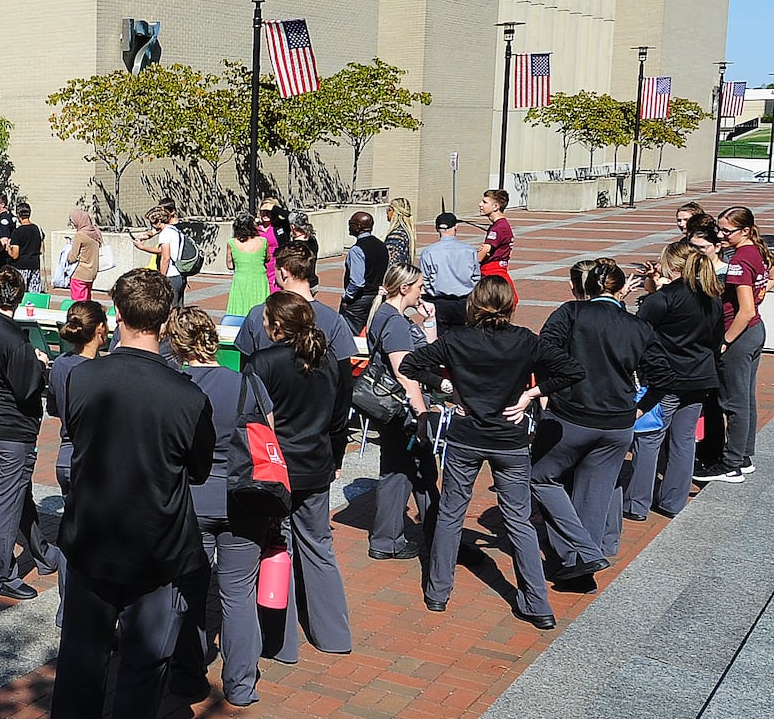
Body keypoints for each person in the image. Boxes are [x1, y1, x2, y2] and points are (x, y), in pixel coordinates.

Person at [46, 268, 214, 719]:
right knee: (143, 662)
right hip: (154, 543)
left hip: (92, 535)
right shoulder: (187, 396)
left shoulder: (80, 377)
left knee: (82, 653)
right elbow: (200, 468)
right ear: (166, 322)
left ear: (116, 314)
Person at [400, 276, 583, 629]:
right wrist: (531, 394)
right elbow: (572, 370)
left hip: (466, 437)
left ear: (474, 305)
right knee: (519, 521)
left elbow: (410, 365)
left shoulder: (457, 339)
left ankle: (438, 591)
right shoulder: (525, 341)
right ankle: (537, 603)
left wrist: (445, 387)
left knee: (452, 513)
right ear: (510, 305)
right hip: (510, 440)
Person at [165, 306, 277, 706]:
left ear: (176, 344)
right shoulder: (246, 384)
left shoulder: (173, 385)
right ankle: (241, 685)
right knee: (238, 594)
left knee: (188, 591)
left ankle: (187, 676)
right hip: (243, 498)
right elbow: (268, 439)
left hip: (190, 501)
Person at [248, 291, 352, 662]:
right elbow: (340, 418)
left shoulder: (263, 363)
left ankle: (280, 642)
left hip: (278, 470)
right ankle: (334, 634)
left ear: (277, 326)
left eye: (265, 321)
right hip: (317, 463)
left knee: (277, 548)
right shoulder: (326, 361)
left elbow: (253, 423)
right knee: (319, 546)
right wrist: (336, 457)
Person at [533, 259, 654, 572]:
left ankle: (580, 552)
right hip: (617, 422)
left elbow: (543, 352)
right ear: (619, 289)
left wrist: (546, 389)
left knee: (541, 477)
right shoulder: (637, 326)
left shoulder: (572, 313)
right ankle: (585, 556)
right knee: (596, 492)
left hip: (573, 415)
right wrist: (640, 406)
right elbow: (663, 374)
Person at [0, 266, 65, 600]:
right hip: (14, 426)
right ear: (20, 297)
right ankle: (1, 574)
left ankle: (43, 553)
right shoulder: (16, 340)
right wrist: (40, 365)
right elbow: (26, 390)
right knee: (9, 496)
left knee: (19, 489)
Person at [626, 241, 722, 519]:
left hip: (664, 378)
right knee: (683, 439)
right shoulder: (710, 297)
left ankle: (636, 503)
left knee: (648, 437)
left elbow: (638, 334)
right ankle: (673, 501)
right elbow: (715, 341)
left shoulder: (663, 299)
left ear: (673, 267)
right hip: (699, 376)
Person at [365, 264, 439, 561]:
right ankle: (435, 537)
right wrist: (421, 414)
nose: (423, 291)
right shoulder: (394, 323)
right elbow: (405, 373)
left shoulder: (388, 315)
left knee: (403, 471)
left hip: (392, 409)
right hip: (403, 410)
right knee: (415, 470)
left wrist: (430, 322)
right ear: (405, 288)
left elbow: (429, 353)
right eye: (420, 286)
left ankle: (394, 538)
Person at [698, 206, 771, 484]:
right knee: (746, 397)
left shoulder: (740, 260)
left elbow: (746, 309)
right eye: (720, 229)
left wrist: (727, 341)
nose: (721, 235)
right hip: (755, 332)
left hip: (740, 333)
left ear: (746, 231)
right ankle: (743, 455)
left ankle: (729, 464)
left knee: (733, 401)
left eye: (727, 231)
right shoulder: (756, 252)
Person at [234, 244, 355, 367]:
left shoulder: (259, 313)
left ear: (283, 271)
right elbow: (344, 375)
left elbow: (245, 369)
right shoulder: (334, 320)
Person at [47, 300, 108, 504]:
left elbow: (53, 408)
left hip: (66, 456)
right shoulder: (101, 371)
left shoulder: (60, 364)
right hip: (93, 459)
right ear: (100, 328)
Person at [417, 212, 480, 328]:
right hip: (464, 301)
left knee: (441, 338)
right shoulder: (470, 251)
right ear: (456, 227)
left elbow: (424, 279)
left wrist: (431, 292)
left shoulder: (428, 252)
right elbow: (476, 277)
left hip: (440, 302)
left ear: (437, 229)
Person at [339, 211, 386, 334]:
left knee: (350, 334)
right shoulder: (382, 246)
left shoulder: (357, 250)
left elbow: (357, 281)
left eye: (351, 223)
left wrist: (347, 298)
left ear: (358, 227)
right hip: (377, 297)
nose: (349, 226)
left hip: (359, 300)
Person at [225, 212, 270, 317]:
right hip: (259, 280)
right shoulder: (263, 241)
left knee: (239, 309)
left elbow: (230, 265)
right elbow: (267, 258)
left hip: (241, 280)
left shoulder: (231, 243)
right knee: (261, 311)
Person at [476, 189, 516, 303]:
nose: (480, 205)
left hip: (493, 271)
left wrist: (477, 256)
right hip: (495, 269)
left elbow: (483, 253)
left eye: (484, 202)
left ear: (496, 207)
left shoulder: (500, 227)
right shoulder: (498, 225)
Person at [66, 210, 102, 302]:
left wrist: (67, 251)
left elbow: (72, 257)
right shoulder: (96, 233)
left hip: (79, 274)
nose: (74, 225)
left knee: (78, 304)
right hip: (92, 272)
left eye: (73, 222)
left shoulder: (80, 235)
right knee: (87, 301)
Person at [8, 202, 44, 293]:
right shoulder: (37, 229)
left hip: (21, 266)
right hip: (35, 264)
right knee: (34, 293)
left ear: (18, 215)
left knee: (20, 292)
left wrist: (8, 248)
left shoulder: (17, 232)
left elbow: (15, 255)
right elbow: (41, 249)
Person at [383, 197, 415, 268]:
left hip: (394, 276)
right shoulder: (405, 232)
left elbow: (391, 262)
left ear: (396, 212)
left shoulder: (396, 235)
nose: (387, 213)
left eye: (389, 210)